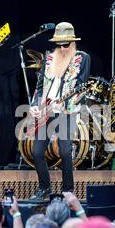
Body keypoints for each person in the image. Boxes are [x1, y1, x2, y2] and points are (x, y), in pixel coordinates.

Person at [28, 22, 90, 200]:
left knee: (64, 151)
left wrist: (64, 103)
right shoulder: (49, 59)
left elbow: (81, 87)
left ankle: (67, 190)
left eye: (66, 45)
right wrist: (34, 104)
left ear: (73, 42)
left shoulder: (82, 58)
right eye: (59, 45)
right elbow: (40, 87)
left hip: (67, 109)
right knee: (37, 152)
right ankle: (44, 187)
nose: (62, 48)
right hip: (46, 108)